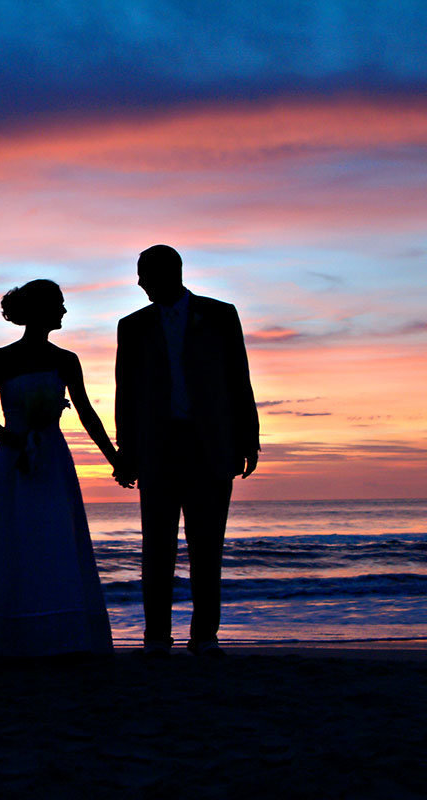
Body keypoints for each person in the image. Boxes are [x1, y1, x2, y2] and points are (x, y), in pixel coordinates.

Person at [0, 279, 116, 663]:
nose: (65, 312)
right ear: (40, 311)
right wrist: (14, 439)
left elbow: (86, 415)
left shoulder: (66, 360)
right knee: (11, 540)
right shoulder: (0, 358)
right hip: (13, 461)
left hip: (52, 458)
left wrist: (114, 459)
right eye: (60, 305)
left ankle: (60, 635)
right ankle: (9, 635)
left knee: (56, 541)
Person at [113, 245, 259, 657]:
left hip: (210, 445)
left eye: (145, 274)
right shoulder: (133, 325)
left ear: (169, 273)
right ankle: (156, 637)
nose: (140, 283)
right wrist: (127, 451)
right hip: (157, 448)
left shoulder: (220, 314)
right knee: (156, 546)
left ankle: (205, 636)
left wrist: (248, 439)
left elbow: (239, 379)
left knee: (207, 545)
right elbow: (126, 392)